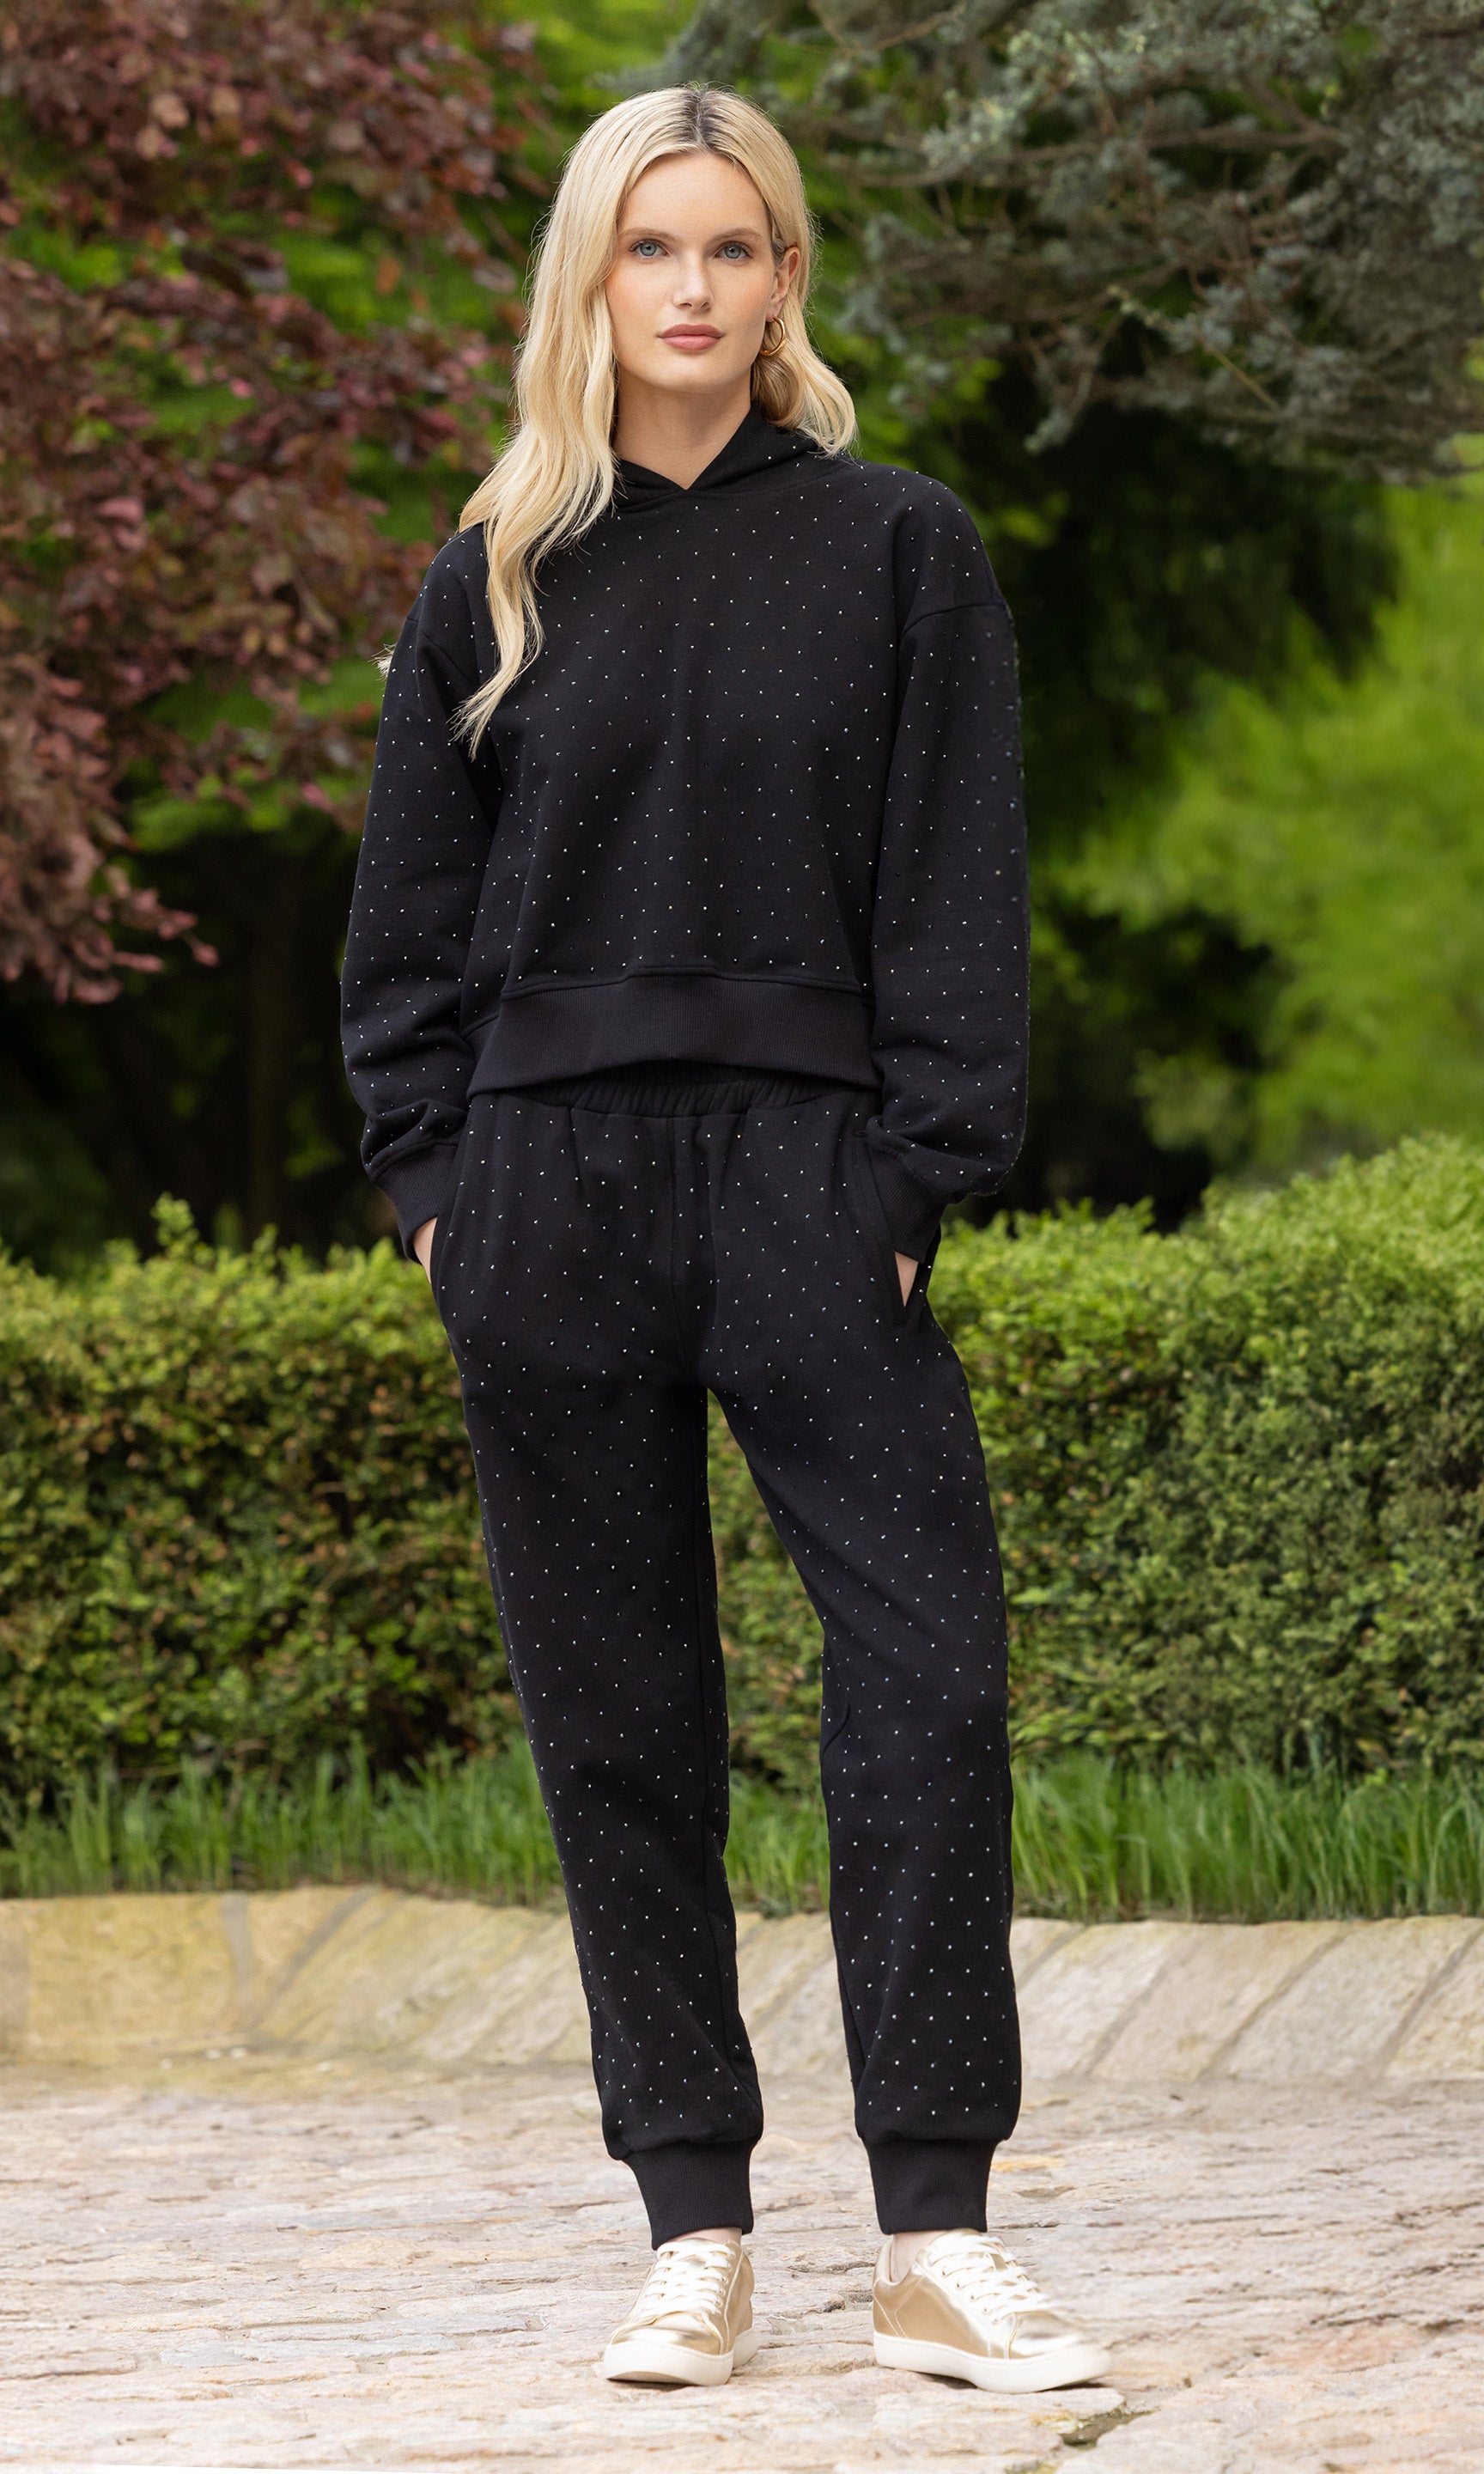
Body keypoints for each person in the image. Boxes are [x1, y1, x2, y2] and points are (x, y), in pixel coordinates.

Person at [340, 82, 1110, 2396]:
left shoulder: (898, 546)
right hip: (546, 1194)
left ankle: (937, 2240)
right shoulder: (491, 565)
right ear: (591, 278)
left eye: (737, 249)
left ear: (786, 279)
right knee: (620, 1723)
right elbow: (405, 929)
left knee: (930, 1688)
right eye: (651, 249)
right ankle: (691, 2222)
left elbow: (961, 883)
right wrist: (433, 1187)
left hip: (810, 1180)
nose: (694, 290)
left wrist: (914, 1177)